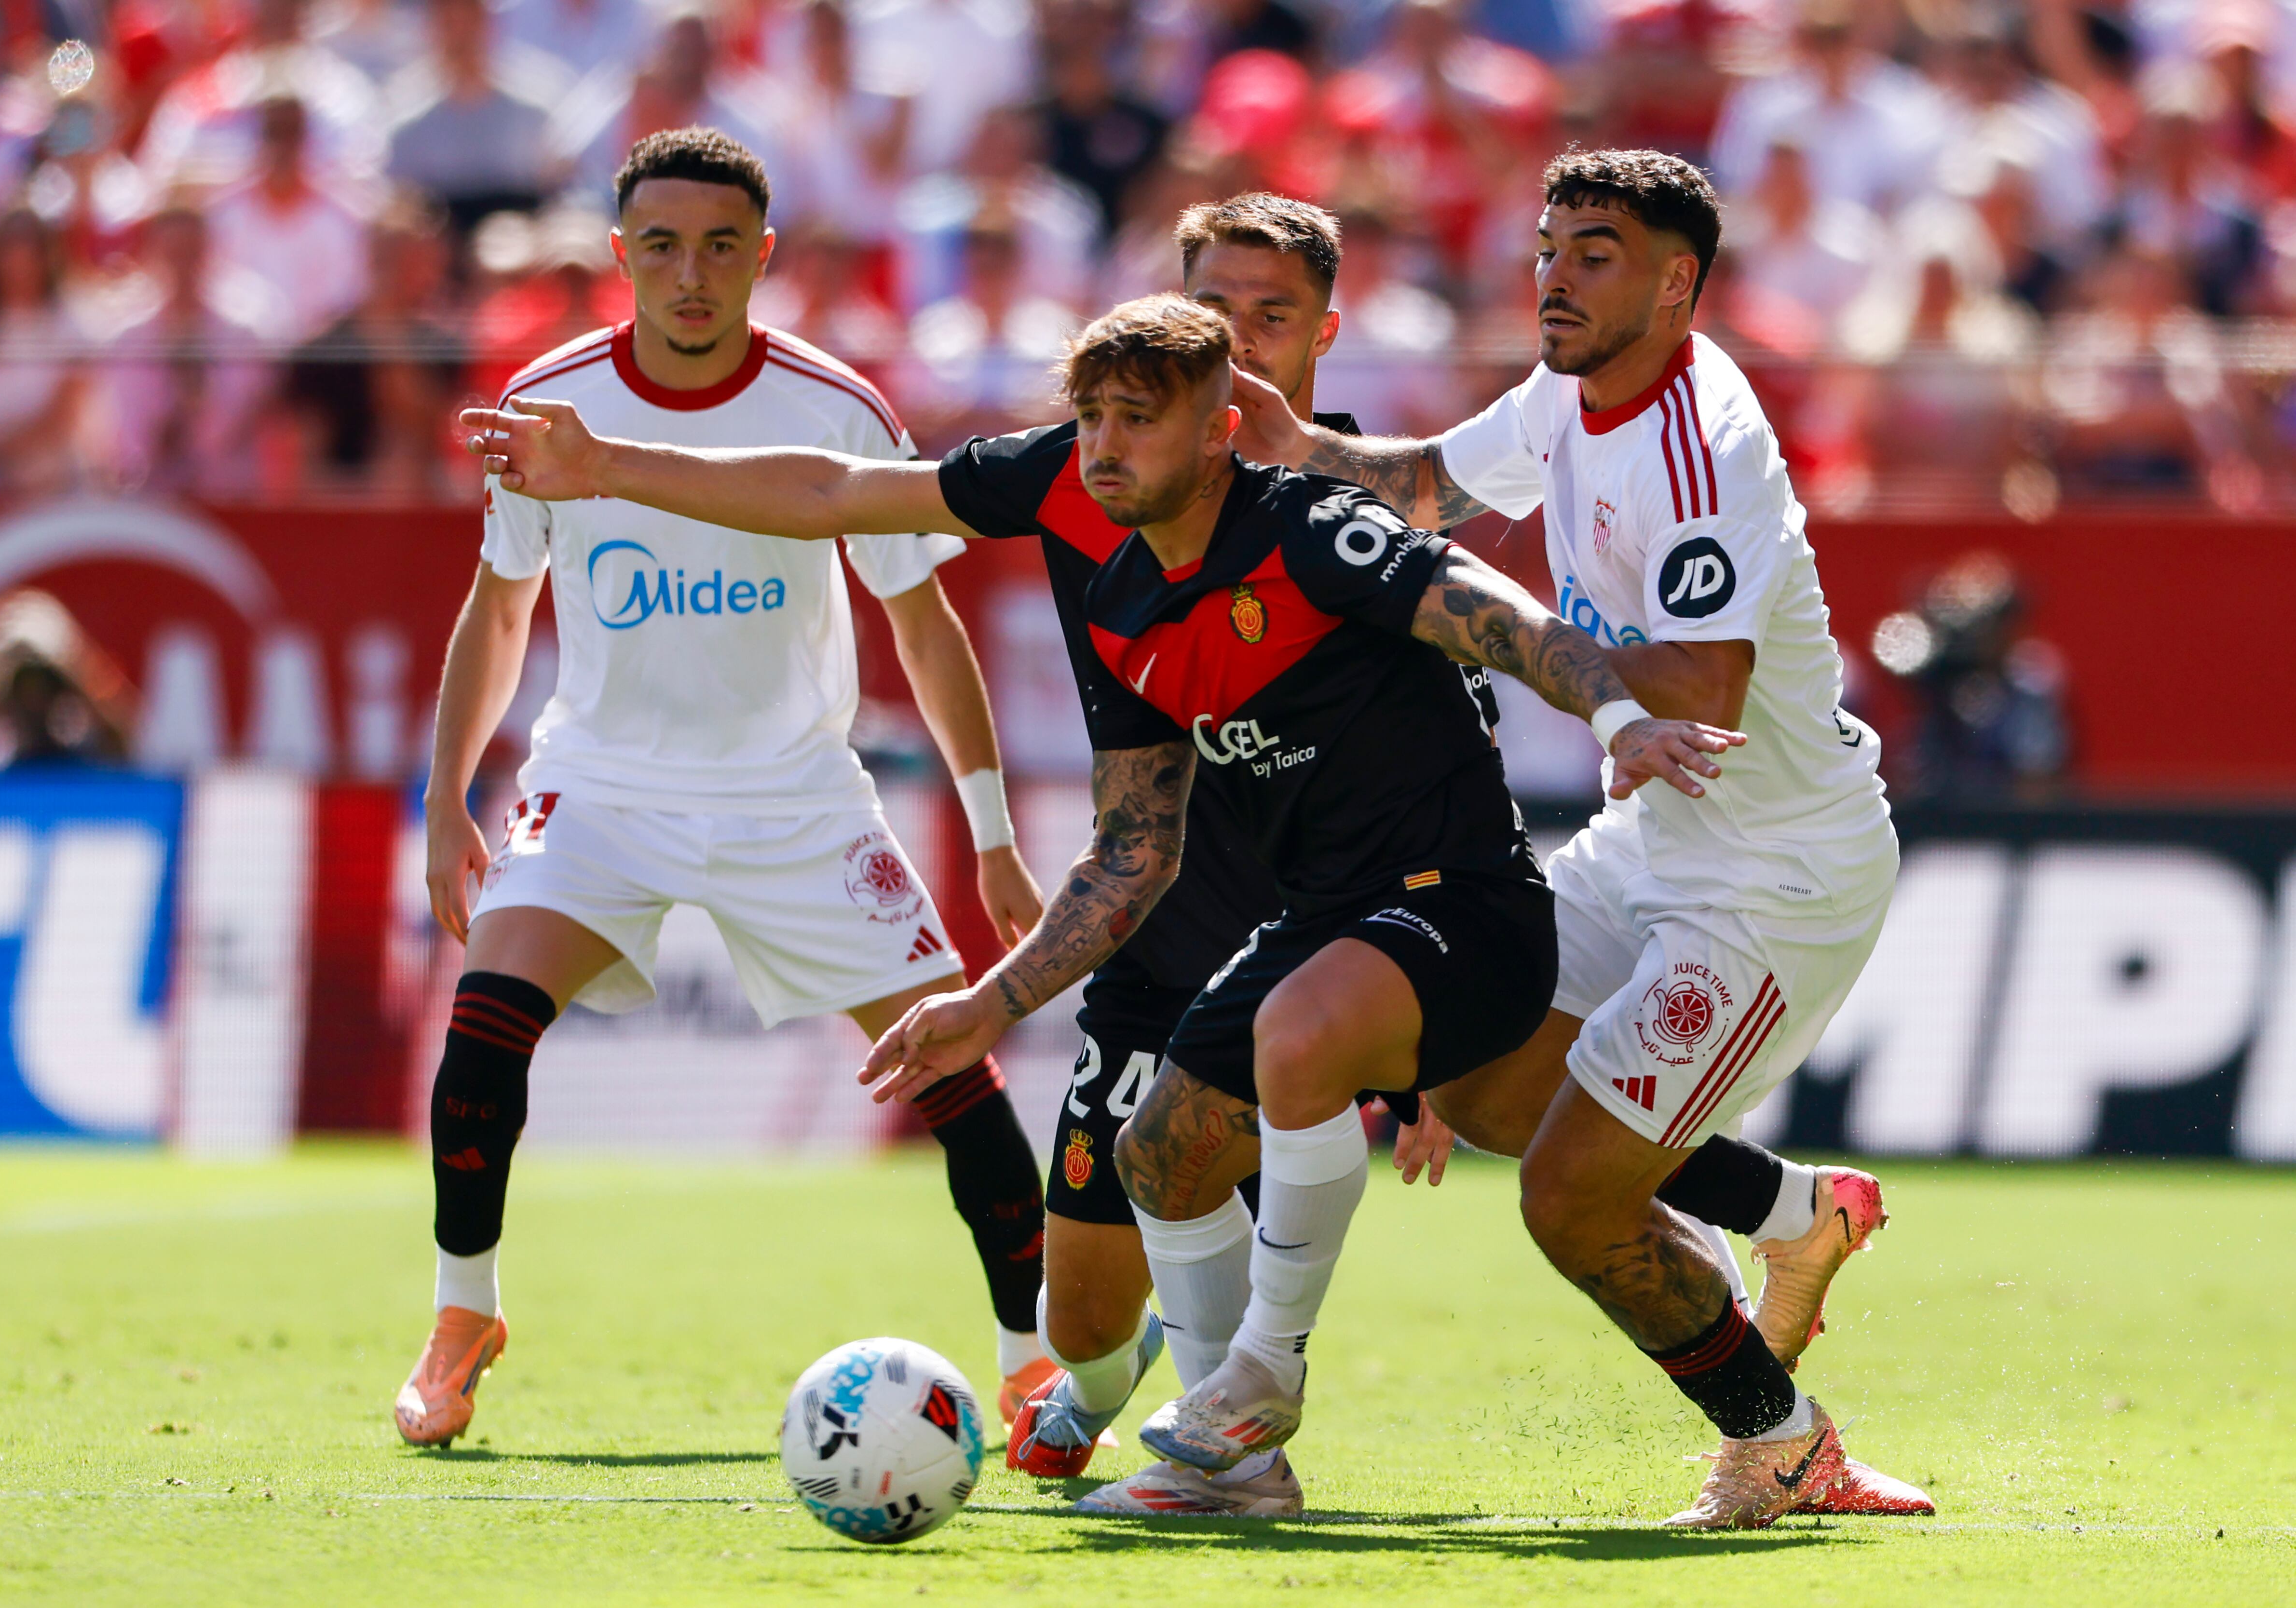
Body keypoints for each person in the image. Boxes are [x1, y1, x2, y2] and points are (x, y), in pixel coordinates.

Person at [458, 295, 1740, 1513]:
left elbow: (1501, 616)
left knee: (1316, 1047)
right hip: (1318, 922)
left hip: (1460, 907)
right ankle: (1238, 1462)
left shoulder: (1308, 527)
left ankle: (1258, 1387)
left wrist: (1618, 713)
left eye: (1139, 418)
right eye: (1095, 419)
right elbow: (1124, 845)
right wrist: (987, 1001)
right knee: (1158, 1158)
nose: (1107, 446)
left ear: (1220, 426)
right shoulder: (1117, 584)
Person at [1006, 192, 1915, 1521]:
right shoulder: (1568, 393)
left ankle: (1782, 1444)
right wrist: (1307, 446)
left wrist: (1471, 615)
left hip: (1774, 871)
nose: (1553, 278)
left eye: (1592, 259)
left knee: (1568, 1204)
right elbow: (1428, 481)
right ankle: (1792, 1212)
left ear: (1677, 286)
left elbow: (1705, 686)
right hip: (1653, 832)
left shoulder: (1702, 451)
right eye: (1548, 250)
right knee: (1489, 1086)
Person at [394, 126, 1051, 1449]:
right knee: (485, 1023)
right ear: (618, 255)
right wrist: (445, 794)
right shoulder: (552, 402)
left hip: (797, 802)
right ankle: (464, 1314)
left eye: (716, 248)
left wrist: (989, 837)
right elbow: (499, 608)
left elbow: (924, 624)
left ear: (764, 256)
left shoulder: (834, 407)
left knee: (955, 1069)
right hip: (601, 785)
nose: (688, 275)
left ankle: (1033, 1364)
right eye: (658, 246)